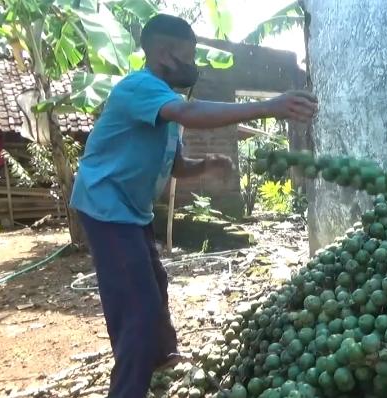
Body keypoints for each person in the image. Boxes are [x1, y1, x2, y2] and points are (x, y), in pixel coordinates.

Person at [69, 13, 318, 397]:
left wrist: (206, 165)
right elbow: (192, 112)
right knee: (136, 307)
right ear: (165, 54)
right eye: (189, 56)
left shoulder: (165, 106)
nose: (195, 65)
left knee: (155, 283)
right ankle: (128, 389)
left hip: (130, 210)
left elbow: (176, 164)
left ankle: (160, 356)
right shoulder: (140, 87)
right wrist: (271, 107)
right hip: (105, 205)